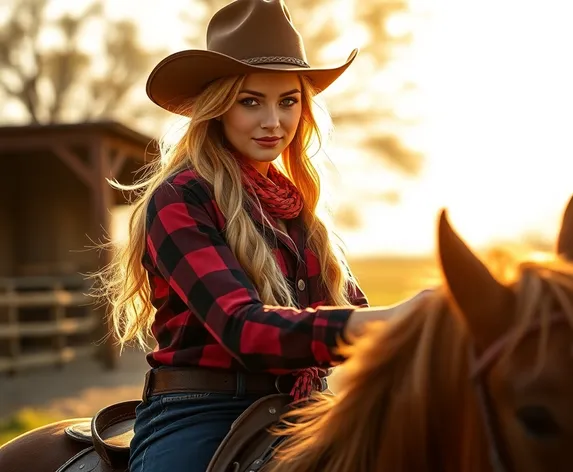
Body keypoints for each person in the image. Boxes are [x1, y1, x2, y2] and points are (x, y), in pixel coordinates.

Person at [96, 1, 430, 470]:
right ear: (217, 107)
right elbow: (242, 327)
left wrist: (431, 322)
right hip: (202, 411)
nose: (273, 121)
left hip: (305, 406)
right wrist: (386, 321)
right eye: (250, 101)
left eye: (288, 101)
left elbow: (348, 312)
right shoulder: (181, 198)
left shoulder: (298, 209)